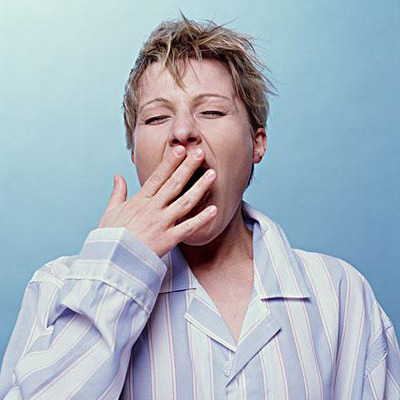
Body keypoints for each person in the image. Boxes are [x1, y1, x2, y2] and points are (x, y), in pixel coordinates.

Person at [0, 15, 399, 400]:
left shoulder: (340, 295)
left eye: (211, 111)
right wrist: (116, 273)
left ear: (257, 143)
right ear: (134, 153)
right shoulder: (59, 289)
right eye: (157, 117)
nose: (182, 131)